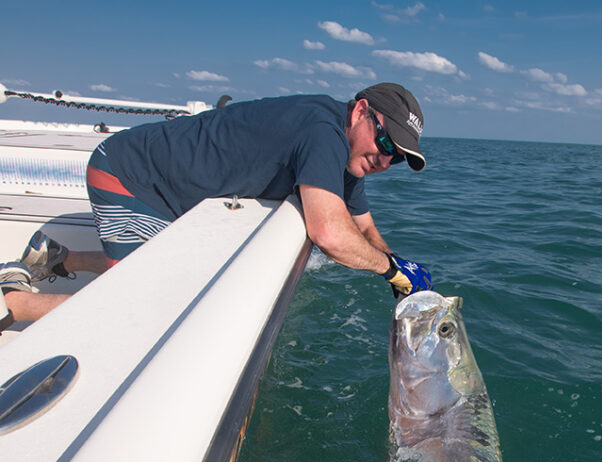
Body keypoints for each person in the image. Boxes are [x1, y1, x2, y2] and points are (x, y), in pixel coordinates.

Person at [0, 83, 431, 329]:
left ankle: (57, 259)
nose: (385, 159)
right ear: (360, 112)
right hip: (130, 176)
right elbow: (330, 234)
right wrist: (387, 269)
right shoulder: (324, 133)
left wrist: (403, 271)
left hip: (164, 191)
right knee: (138, 304)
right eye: (385, 142)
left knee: (159, 272)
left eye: (398, 157)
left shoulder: (346, 157)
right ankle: (13, 304)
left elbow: (363, 227)